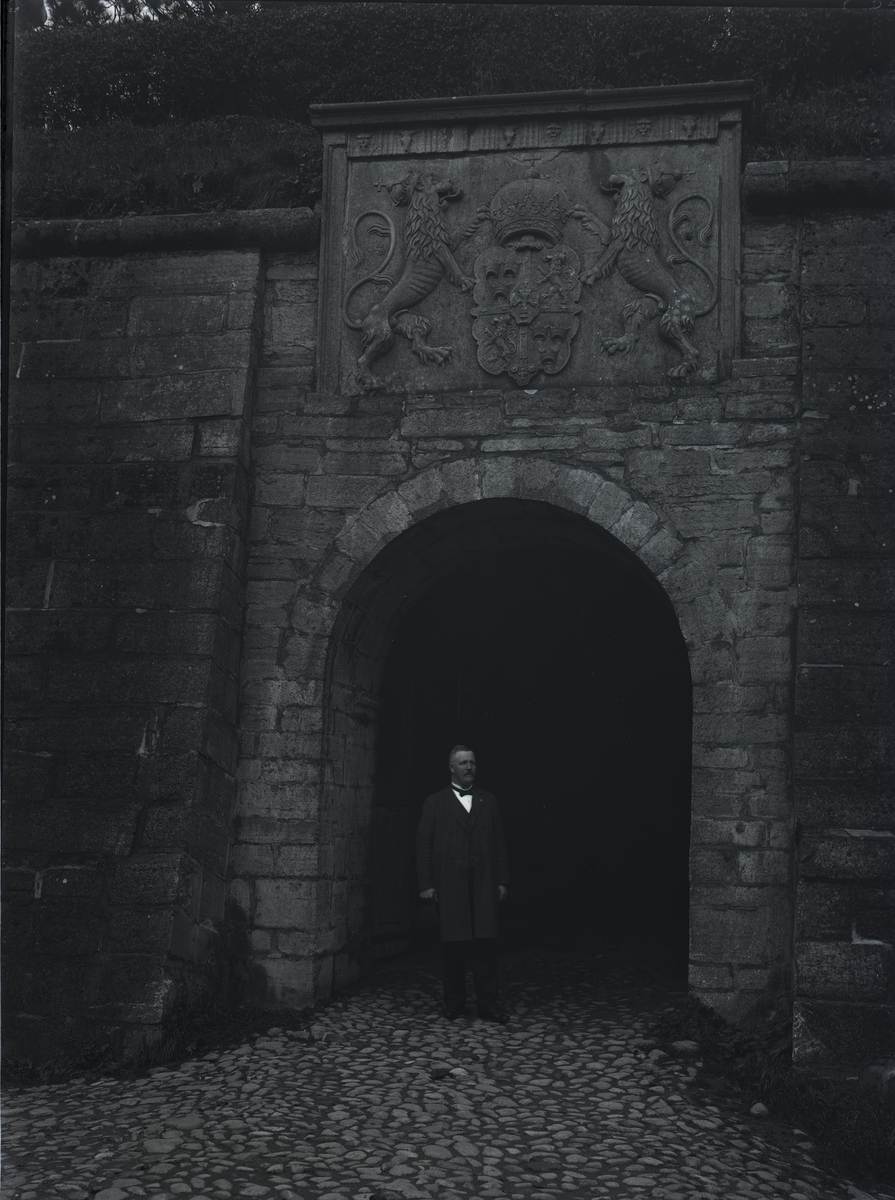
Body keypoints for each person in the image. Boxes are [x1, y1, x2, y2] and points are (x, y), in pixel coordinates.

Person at [416, 745, 510, 1022]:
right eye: (463, 763)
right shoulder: (435, 802)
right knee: (452, 947)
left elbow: (499, 843)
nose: (469, 767)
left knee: (485, 947)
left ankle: (488, 1005)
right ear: (451, 768)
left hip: (483, 883)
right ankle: (454, 1003)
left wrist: (502, 880)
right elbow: (424, 844)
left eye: (472, 762)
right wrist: (426, 883)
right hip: (450, 884)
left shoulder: (488, 800)